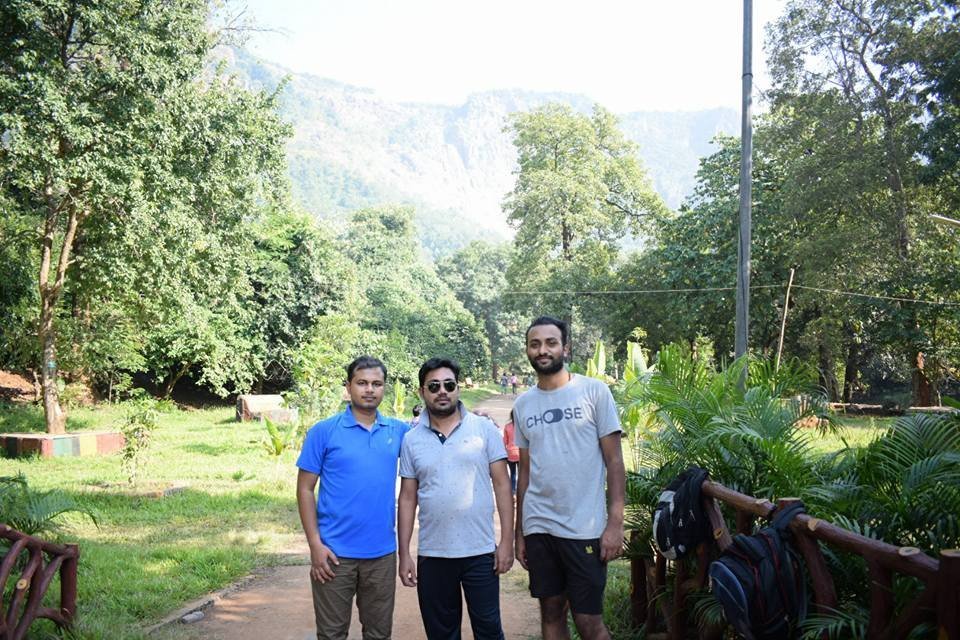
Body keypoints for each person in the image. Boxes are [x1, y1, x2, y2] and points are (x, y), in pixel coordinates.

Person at [512, 317, 626, 640]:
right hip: (540, 527)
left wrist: (615, 523)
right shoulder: (522, 405)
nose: (542, 350)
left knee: (589, 622)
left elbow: (615, 462)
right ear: (528, 351)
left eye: (550, 342)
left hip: (584, 529)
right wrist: (521, 533)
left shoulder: (594, 392)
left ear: (565, 347)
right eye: (535, 344)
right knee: (551, 614)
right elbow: (525, 474)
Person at [398, 357, 515, 640]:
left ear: (457, 389)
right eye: (434, 386)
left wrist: (506, 542)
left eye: (449, 385)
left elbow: (502, 485)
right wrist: (404, 554)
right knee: (441, 633)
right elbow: (407, 498)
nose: (442, 391)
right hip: (434, 554)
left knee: (488, 630)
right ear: (422, 391)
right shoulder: (412, 439)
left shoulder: (484, 429)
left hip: (480, 552)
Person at [296, 356, 410, 640]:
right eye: (362, 383)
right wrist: (315, 545)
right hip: (333, 554)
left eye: (376, 384)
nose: (369, 389)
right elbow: (305, 489)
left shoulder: (399, 432)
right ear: (348, 387)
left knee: (379, 634)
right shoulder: (324, 431)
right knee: (332, 634)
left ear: (384, 388)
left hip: (382, 554)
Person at [502, 410, 520, 495]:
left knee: (513, 473)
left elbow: (504, 441)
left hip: (510, 454)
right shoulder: (522, 426)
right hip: (521, 454)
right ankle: (521, 490)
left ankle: (513, 491)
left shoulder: (507, 426)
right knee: (522, 474)